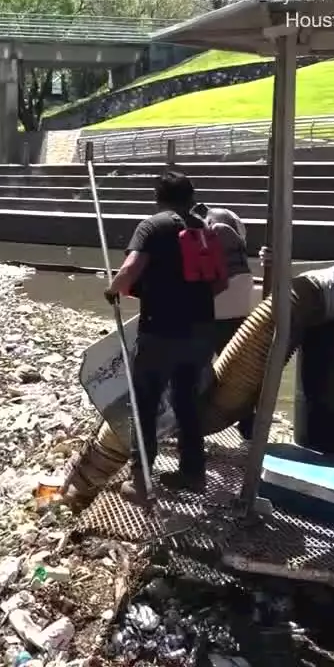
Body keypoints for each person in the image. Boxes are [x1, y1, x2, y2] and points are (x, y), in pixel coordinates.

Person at [104, 172, 227, 500]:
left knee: (145, 402)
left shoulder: (152, 226)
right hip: (201, 331)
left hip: (161, 331)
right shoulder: (203, 228)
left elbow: (131, 269)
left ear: (159, 198)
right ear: (190, 197)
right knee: (186, 401)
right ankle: (193, 473)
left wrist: (113, 289)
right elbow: (221, 283)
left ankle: (141, 481)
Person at [192, 204, 258, 440]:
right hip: (241, 301)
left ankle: (195, 426)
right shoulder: (234, 221)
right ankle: (248, 426)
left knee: (198, 368)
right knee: (242, 369)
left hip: (215, 306)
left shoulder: (204, 228)